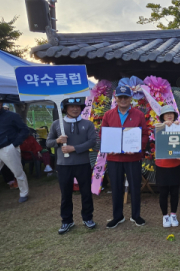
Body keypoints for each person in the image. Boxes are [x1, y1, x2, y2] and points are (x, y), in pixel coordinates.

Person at [47, 97, 97, 234]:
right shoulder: (57, 124)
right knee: (66, 194)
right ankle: (67, 221)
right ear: (65, 108)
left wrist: (74, 148)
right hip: (64, 165)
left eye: (78, 106)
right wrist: (57, 141)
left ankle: (88, 218)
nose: (75, 109)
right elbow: (48, 142)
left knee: (86, 193)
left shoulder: (88, 124)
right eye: (71, 106)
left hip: (83, 164)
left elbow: (92, 141)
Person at [101, 86, 149, 228]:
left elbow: (145, 134)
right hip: (114, 158)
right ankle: (118, 216)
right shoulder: (108, 115)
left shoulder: (139, 114)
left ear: (130, 99)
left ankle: (136, 215)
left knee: (135, 187)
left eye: (126, 97)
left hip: (133, 158)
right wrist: (110, 147)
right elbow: (103, 134)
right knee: (116, 187)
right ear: (115, 98)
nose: (123, 100)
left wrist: (136, 148)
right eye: (120, 97)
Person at [0, 94, 30, 208]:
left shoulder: (11, 115)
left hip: (8, 147)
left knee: (17, 172)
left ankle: (24, 193)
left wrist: (14, 144)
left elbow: (24, 130)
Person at [155, 105, 180, 228]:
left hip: (176, 165)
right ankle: (165, 216)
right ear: (162, 116)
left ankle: (173, 214)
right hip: (162, 165)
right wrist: (163, 126)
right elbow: (155, 141)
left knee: (175, 192)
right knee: (163, 192)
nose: (169, 115)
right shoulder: (158, 127)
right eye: (167, 114)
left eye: (172, 113)